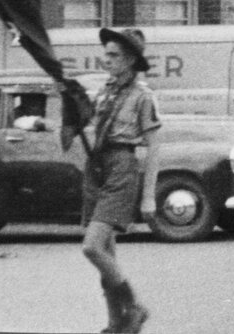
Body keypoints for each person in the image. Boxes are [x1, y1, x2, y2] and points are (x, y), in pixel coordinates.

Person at [83, 28, 160, 334]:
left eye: (114, 55)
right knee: (107, 251)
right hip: (98, 166)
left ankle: (135, 306)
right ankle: (116, 319)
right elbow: (87, 125)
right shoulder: (105, 92)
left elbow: (154, 146)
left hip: (121, 166)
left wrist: (149, 195)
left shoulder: (142, 96)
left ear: (130, 60)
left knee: (92, 248)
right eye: (106, 54)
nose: (106, 60)